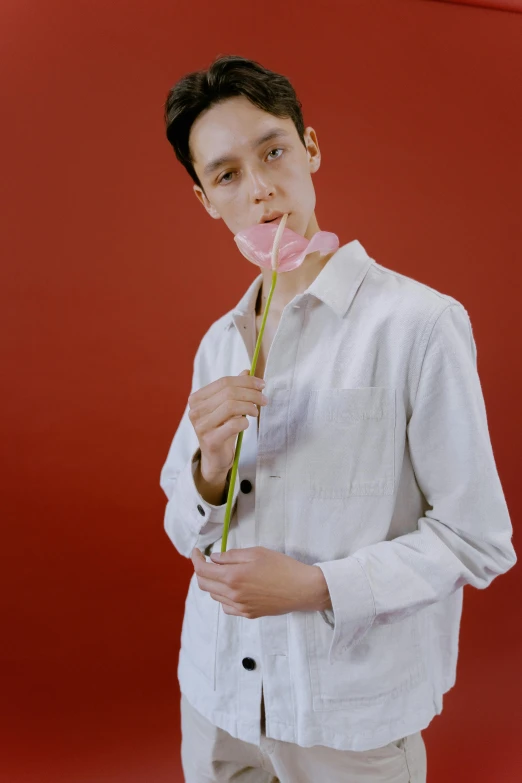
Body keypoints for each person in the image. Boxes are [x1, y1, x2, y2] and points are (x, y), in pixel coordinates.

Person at [159, 54, 517, 783]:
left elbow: (478, 539)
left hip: (345, 715)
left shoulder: (419, 324)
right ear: (205, 199)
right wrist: (210, 471)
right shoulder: (222, 341)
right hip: (217, 694)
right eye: (227, 175)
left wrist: (316, 588)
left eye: (274, 151)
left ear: (311, 148)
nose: (260, 189)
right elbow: (181, 524)